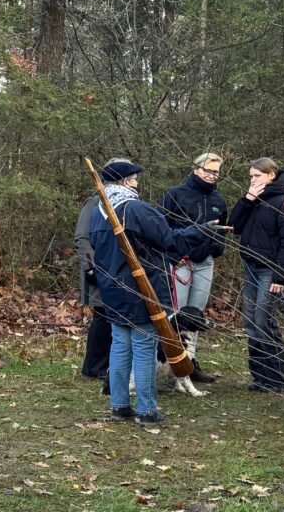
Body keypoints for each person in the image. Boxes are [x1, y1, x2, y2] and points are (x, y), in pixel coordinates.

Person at [89, 160, 222, 425]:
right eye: (135, 179)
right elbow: (170, 239)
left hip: (112, 290)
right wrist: (203, 230)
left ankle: (120, 406)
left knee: (119, 347)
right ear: (125, 181)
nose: (137, 183)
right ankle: (148, 410)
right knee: (145, 348)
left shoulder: (98, 211)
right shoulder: (135, 209)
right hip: (142, 290)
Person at [159, 153, 229, 384]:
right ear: (197, 169)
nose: (212, 175)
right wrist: (173, 255)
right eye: (208, 170)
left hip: (204, 262)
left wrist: (216, 249)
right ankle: (170, 363)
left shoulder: (218, 199)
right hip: (180, 262)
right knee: (175, 316)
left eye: (216, 172)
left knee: (195, 315)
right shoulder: (175, 194)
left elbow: (224, 229)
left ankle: (190, 362)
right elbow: (162, 228)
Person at [229, 158, 284, 393]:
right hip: (251, 267)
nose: (252, 180)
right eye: (251, 176)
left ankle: (278, 378)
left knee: (264, 321)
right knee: (251, 322)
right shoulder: (254, 200)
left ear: (271, 175)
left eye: (257, 176)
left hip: (270, 270)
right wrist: (247, 200)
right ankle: (260, 377)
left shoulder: (283, 201)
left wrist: (281, 276)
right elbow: (233, 228)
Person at [76, 158, 133, 385]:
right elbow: (82, 237)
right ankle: (93, 368)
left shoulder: (126, 202)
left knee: (114, 318)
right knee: (102, 317)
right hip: (100, 268)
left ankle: (110, 365)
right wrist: (90, 267)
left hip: (119, 269)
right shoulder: (95, 202)